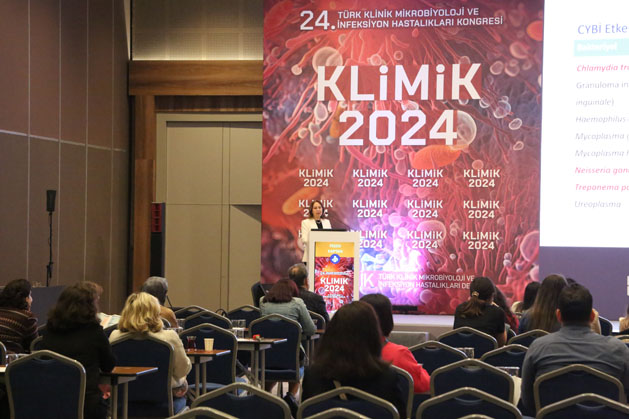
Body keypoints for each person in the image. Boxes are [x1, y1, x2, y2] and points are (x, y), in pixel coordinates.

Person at [520, 283, 629, 413]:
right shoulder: (618, 350)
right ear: (593, 316)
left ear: (559, 315)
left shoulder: (538, 348)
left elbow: (528, 402)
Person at [302, 301, 407, 418]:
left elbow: (305, 414)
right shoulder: (388, 377)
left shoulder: (313, 375)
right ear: (373, 336)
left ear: (331, 334)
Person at [42, 282, 116, 419]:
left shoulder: (49, 330)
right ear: (90, 306)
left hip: (51, 401)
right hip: (85, 404)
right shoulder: (94, 332)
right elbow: (108, 365)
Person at [110, 293, 191, 398]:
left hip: (123, 400)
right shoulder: (170, 337)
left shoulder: (114, 337)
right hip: (162, 400)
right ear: (156, 313)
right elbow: (182, 370)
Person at [259, 279, 315, 402]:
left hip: (267, 355)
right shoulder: (298, 303)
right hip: (292, 357)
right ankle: (290, 397)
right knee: (296, 358)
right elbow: (311, 330)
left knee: (274, 359)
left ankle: (266, 395)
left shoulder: (263, 302)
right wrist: (296, 331)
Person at [361, 293, 430, 393]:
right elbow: (424, 385)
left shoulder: (344, 354)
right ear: (388, 319)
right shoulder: (399, 354)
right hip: (387, 403)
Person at [453, 277, 506, 346]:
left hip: (461, 352)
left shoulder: (460, 309)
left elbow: (455, 337)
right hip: (487, 353)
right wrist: (497, 308)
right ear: (492, 296)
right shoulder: (497, 312)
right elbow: (501, 343)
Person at [0, 279, 38, 353]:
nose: (32, 299)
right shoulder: (27, 318)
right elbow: (34, 347)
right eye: (30, 295)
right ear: (24, 298)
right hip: (11, 359)